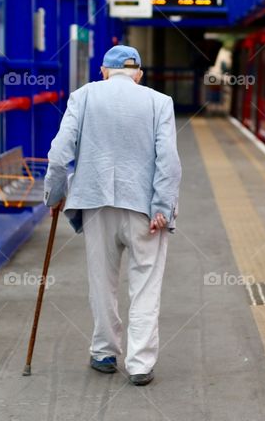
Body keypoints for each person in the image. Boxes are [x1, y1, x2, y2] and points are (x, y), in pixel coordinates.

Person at [43, 45, 181, 386]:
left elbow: (60, 153)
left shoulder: (83, 96)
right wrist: (162, 207)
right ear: (139, 74)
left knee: (101, 282)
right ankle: (139, 364)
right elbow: (168, 160)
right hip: (144, 209)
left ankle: (104, 351)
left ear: (103, 71)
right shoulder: (159, 102)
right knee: (145, 284)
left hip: (95, 205)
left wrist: (54, 194)